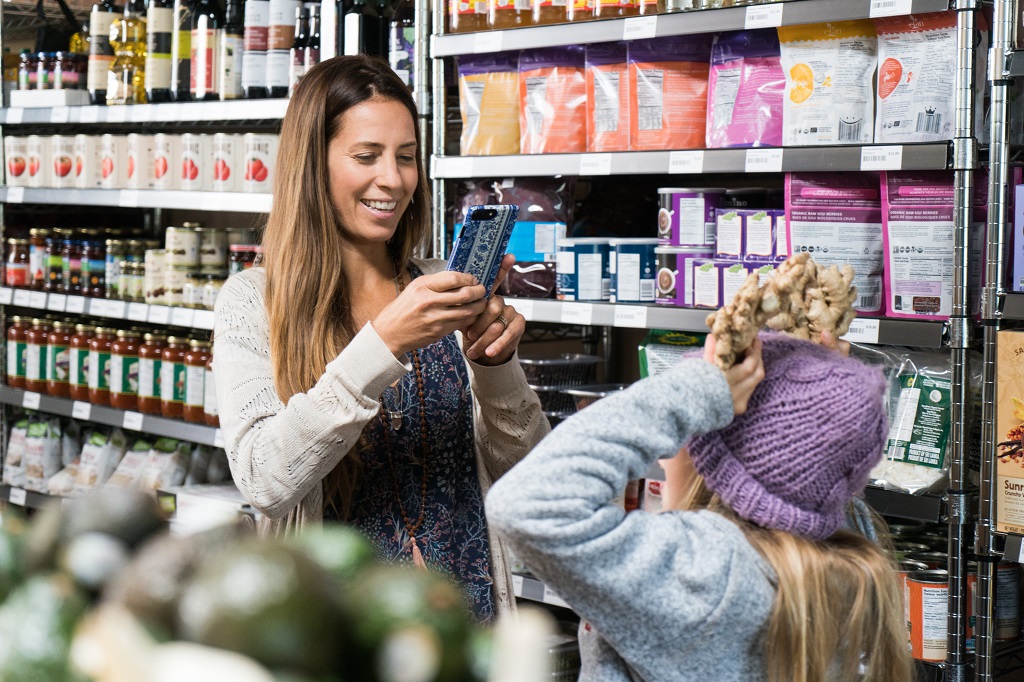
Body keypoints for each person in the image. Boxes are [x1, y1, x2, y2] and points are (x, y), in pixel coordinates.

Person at [212, 54, 549, 623]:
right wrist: (383, 344)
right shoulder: (253, 303)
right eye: (366, 156)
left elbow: (537, 482)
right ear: (312, 166)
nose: (392, 180)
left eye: (407, 157)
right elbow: (265, 478)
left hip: (467, 634)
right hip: (334, 639)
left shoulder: (441, 288)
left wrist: (496, 363)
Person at [486, 332, 912, 681]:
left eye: (686, 430)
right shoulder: (850, 563)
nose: (668, 450)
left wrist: (693, 392)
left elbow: (523, 503)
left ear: (713, 467)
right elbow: (816, 466)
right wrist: (819, 382)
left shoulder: (705, 573)